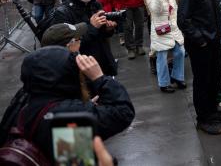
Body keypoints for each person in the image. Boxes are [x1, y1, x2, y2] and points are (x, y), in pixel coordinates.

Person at [0, 47, 134, 163]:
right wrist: (100, 78)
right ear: (64, 74)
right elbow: (122, 112)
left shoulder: (25, 102)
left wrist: (85, 108)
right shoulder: (65, 117)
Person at [177, 0, 221, 135]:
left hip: (213, 40)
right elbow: (183, 20)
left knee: (215, 77)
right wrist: (199, 39)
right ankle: (203, 118)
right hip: (201, 44)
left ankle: (213, 111)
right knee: (202, 81)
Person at [52, 0, 119, 76]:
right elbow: (68, 47)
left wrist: (108, 29)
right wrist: (92, 27)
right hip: (82, 70)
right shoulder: (63, 12)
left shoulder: (96, 4)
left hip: (103, 64)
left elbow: (102, 35)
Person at [142, 0, 186, 93]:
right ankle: (164, 83)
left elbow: (174, 8)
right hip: (161, 30)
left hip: (173, 28)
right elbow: (155, 10)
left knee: (180, 51)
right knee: (162, 56)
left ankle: (177, 77)